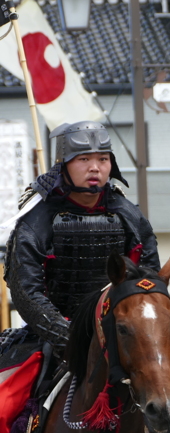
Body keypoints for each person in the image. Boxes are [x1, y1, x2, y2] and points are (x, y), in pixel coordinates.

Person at [4, 121, 160, 366]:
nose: (95, 168)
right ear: (63, 165)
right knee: (9, 399)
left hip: (120, 335)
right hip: (50, 339)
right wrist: (67, 338)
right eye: (84, 159)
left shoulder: (129, 214)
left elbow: (149, 278)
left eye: (103, 159)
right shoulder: (36, 219)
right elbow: (26, 291)